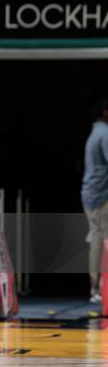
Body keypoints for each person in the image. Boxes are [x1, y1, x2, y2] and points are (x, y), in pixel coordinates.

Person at [81, 97, 108, 304]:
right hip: (100, 196)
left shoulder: (95, 132)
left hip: (93, 194)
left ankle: (96, 288)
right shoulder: (104, 133)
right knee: (100, 240)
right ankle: (98, 289)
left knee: (97, 238)